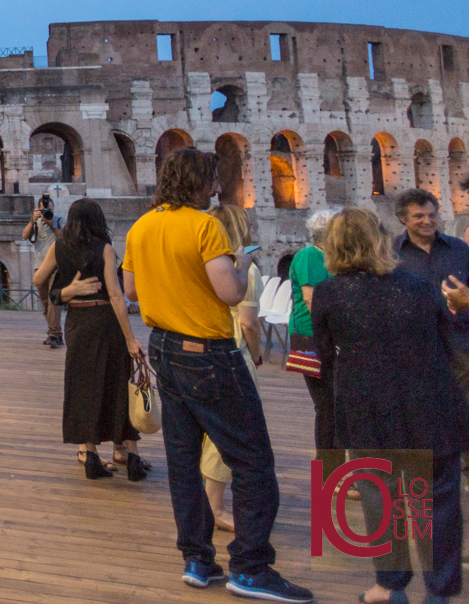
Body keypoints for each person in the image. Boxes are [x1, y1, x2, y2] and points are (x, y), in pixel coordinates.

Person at [123, 147, 311, 602]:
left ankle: (197, 559)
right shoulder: (205, 225)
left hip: (163, 348)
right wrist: (241, 265)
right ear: (197, 181)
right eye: (212, 178)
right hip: (207, 352)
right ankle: (251, 567)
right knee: (252, 461)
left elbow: (130, 290)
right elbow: (230, 294)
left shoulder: (141, 226)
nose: (218, 186)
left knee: (183, 460)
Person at [312, 206, 469, 604]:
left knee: (379, 494)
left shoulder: (329, 293)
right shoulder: (418, 286)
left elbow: (325, 356)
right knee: (439, 499)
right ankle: (439, 591)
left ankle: (389, 584)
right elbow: (447, 344)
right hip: (430, 402)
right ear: (382, 239)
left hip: (366, 406)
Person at [35, 198, 148, 481]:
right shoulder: (105, 249)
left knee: (83, 387)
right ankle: (131, 455)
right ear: (98, 220)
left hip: (79, 324)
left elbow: (38, 280)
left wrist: (66, 292)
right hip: (107, 322)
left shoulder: (59, 247)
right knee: (120, 384)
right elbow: (115, 295)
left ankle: (91, 456)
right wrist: (130, 338)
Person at [199, 204, 263, 534]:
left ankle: (203, 502)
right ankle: (215, 507)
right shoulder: (244, 270)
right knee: (227, 434)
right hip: (231, 354)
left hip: (197, 353)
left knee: (203, 431)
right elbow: (249, 323)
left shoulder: (200, 265)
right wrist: (258, 355)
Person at [392, 188, 469, 404]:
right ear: (403, 218)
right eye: (419, 216)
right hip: (414, 345)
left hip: (459, 341)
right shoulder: (389, 254)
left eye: (432, 215)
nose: (427, 221)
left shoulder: (460, 249)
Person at [287, 208, 339, 453]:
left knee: (335, 404)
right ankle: (328, 469)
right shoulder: (310, 255)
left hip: (327, 337)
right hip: (312, 337)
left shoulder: (331, 257)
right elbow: (312, 300)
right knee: (327, 404)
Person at [25, 195, 62, 348]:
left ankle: (53, 334)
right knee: (45, 302)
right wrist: (32, 221)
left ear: (53, 209)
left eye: (49, 209)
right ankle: (56, 332)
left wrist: (52, 225)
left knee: (54, 301)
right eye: (43, 210)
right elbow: (25, 236)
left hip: (56, 266)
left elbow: (65, 239)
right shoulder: (36, 222)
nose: (47, 212)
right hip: (40, 266)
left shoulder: (59, 221)